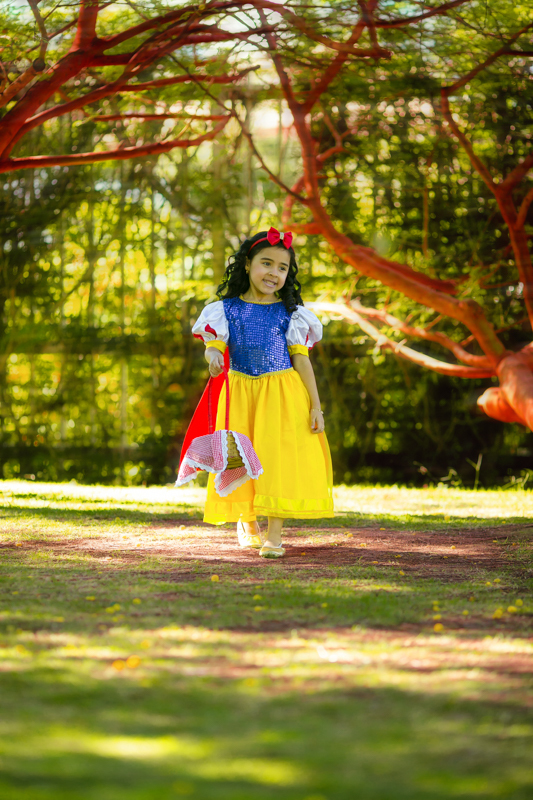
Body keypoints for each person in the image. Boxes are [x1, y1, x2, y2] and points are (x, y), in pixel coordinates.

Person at [191, 227, 334, 557]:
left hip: (282, 392)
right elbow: (214, 346)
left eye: (282, 268)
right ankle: (248, 520)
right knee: (239, 456)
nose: (273, 273)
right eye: (266, 264)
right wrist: (213, 356)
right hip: (239, 391)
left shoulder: (291, 314)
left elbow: (302, 360)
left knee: (277, 457)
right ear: (246, 265)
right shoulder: (224, 310)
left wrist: (315, 406)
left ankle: (275, 532)